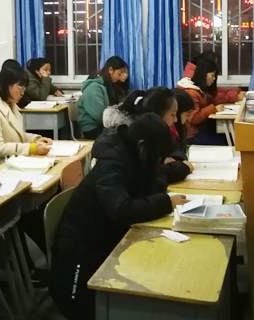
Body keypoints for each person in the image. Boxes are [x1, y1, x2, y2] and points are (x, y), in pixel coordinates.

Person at [49, 114, 188, 320]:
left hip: (105, 238)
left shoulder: (133, 155)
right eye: (157, 156)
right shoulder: (112, 164)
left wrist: (162, 179)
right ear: (142, 147)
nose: (157, 162)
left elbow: (154, 179)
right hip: (80, 256)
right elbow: (121, 209)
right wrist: (166, 202)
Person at [102, 88, 194, 183]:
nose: (175, 120)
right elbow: (148, 174)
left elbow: (175, 148)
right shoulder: (133, 134)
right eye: (172, 114)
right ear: (156, 115)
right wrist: (182, 167)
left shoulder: (152, 129)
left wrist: (175, 159)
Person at [0, 65, 53, 162]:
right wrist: (31, 148)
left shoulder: (11, 105)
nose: (23, 93)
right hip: (0, 165)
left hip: (16, 161)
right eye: (20, 87)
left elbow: (17, 136)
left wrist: (35, 140)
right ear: (7, 85)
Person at [175, 57, 229, 145]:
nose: (214, 79)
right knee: (225, 142)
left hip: (198, 131)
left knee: (226, 136)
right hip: (191, 135)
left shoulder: (198, 89)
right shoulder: (191, 92)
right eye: (212, 75)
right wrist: (214, 109)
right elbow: (194, 118)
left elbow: (212, 98)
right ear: (204, 74)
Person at [77, 56, 129, 140]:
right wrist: (120, 121)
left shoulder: (111, 85)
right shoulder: (94, 87)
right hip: (92, 128)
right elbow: (99, 116)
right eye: (120, 73)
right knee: (124, 136)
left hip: (104, 125)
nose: (124, 76)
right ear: (110, 70)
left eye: (126, 73)